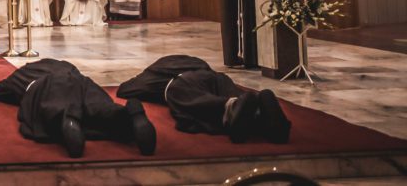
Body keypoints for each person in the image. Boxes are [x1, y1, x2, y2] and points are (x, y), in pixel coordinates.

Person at [0, 58, 156, 158]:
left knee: (54, 108)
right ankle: (130, 114)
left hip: (47, 84)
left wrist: (19, 88)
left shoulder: (24, 72)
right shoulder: (67, 66)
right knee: (100, 107)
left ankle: (69, 119)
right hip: (82, 81)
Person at [117, 55, 291, 144]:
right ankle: (262, 114)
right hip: (215, 77)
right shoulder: (195, 61)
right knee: (240, 98)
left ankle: (229, 110)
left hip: (183, 81)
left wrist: (145, 79)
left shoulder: (156, 73)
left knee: (192, 100)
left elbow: (124, 90)